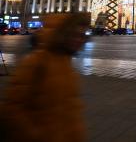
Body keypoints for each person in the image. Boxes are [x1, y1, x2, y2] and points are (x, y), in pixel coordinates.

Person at [0, 13, 89, 142]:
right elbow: (12, 110)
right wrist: (36, 135)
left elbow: (70, 111)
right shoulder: (36, 62)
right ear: (62, 34)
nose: (79, 40)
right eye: (74, 35)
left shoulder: (67, 65)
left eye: (83, 36)